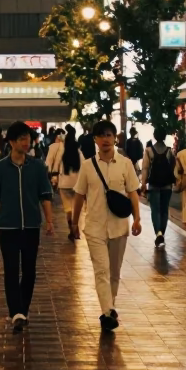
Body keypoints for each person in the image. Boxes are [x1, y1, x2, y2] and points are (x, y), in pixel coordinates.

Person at [71, 119, 142, 332]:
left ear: (115, 138)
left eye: (109, 135)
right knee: (101, 270)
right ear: (95, 139)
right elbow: (79, 195)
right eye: (101, 136)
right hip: (94, 227)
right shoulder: (87, 166)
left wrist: (137, 218)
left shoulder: (125, 164)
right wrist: (74, 223)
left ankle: (110, 306)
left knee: (114, 272)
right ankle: (107, 312)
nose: (105, 139)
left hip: (119, 225)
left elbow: (132, 193)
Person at [0, 121, 54, 332]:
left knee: (30, 270)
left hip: (32, 226)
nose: (26, 142)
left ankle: (23, 309)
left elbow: (45, 196)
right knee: (11, 269)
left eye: (28, 138)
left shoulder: (37, 167)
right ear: (12, 142)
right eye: (22, 139)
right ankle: (15, 311)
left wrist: (49, 221)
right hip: (8, 226)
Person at [45, 123, 82, 240]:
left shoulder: (61, 151)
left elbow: (54, 166)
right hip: (77, 183)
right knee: (76, 207)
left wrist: (53, 178)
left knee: (68, 208)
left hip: (64, 183)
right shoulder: (78, 152)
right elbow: (85, 166)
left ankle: (72, 229)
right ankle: (76, 229)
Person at [140, 129, 175, 247]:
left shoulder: (149, 151)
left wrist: (143, 183)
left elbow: (145, 168)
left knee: (155, 210)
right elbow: (173, 168)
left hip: (154, 185)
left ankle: (158, 233)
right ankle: (162, 234)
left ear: (154, 136)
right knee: (165, 210)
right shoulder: (170, 151)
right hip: (167, 185)